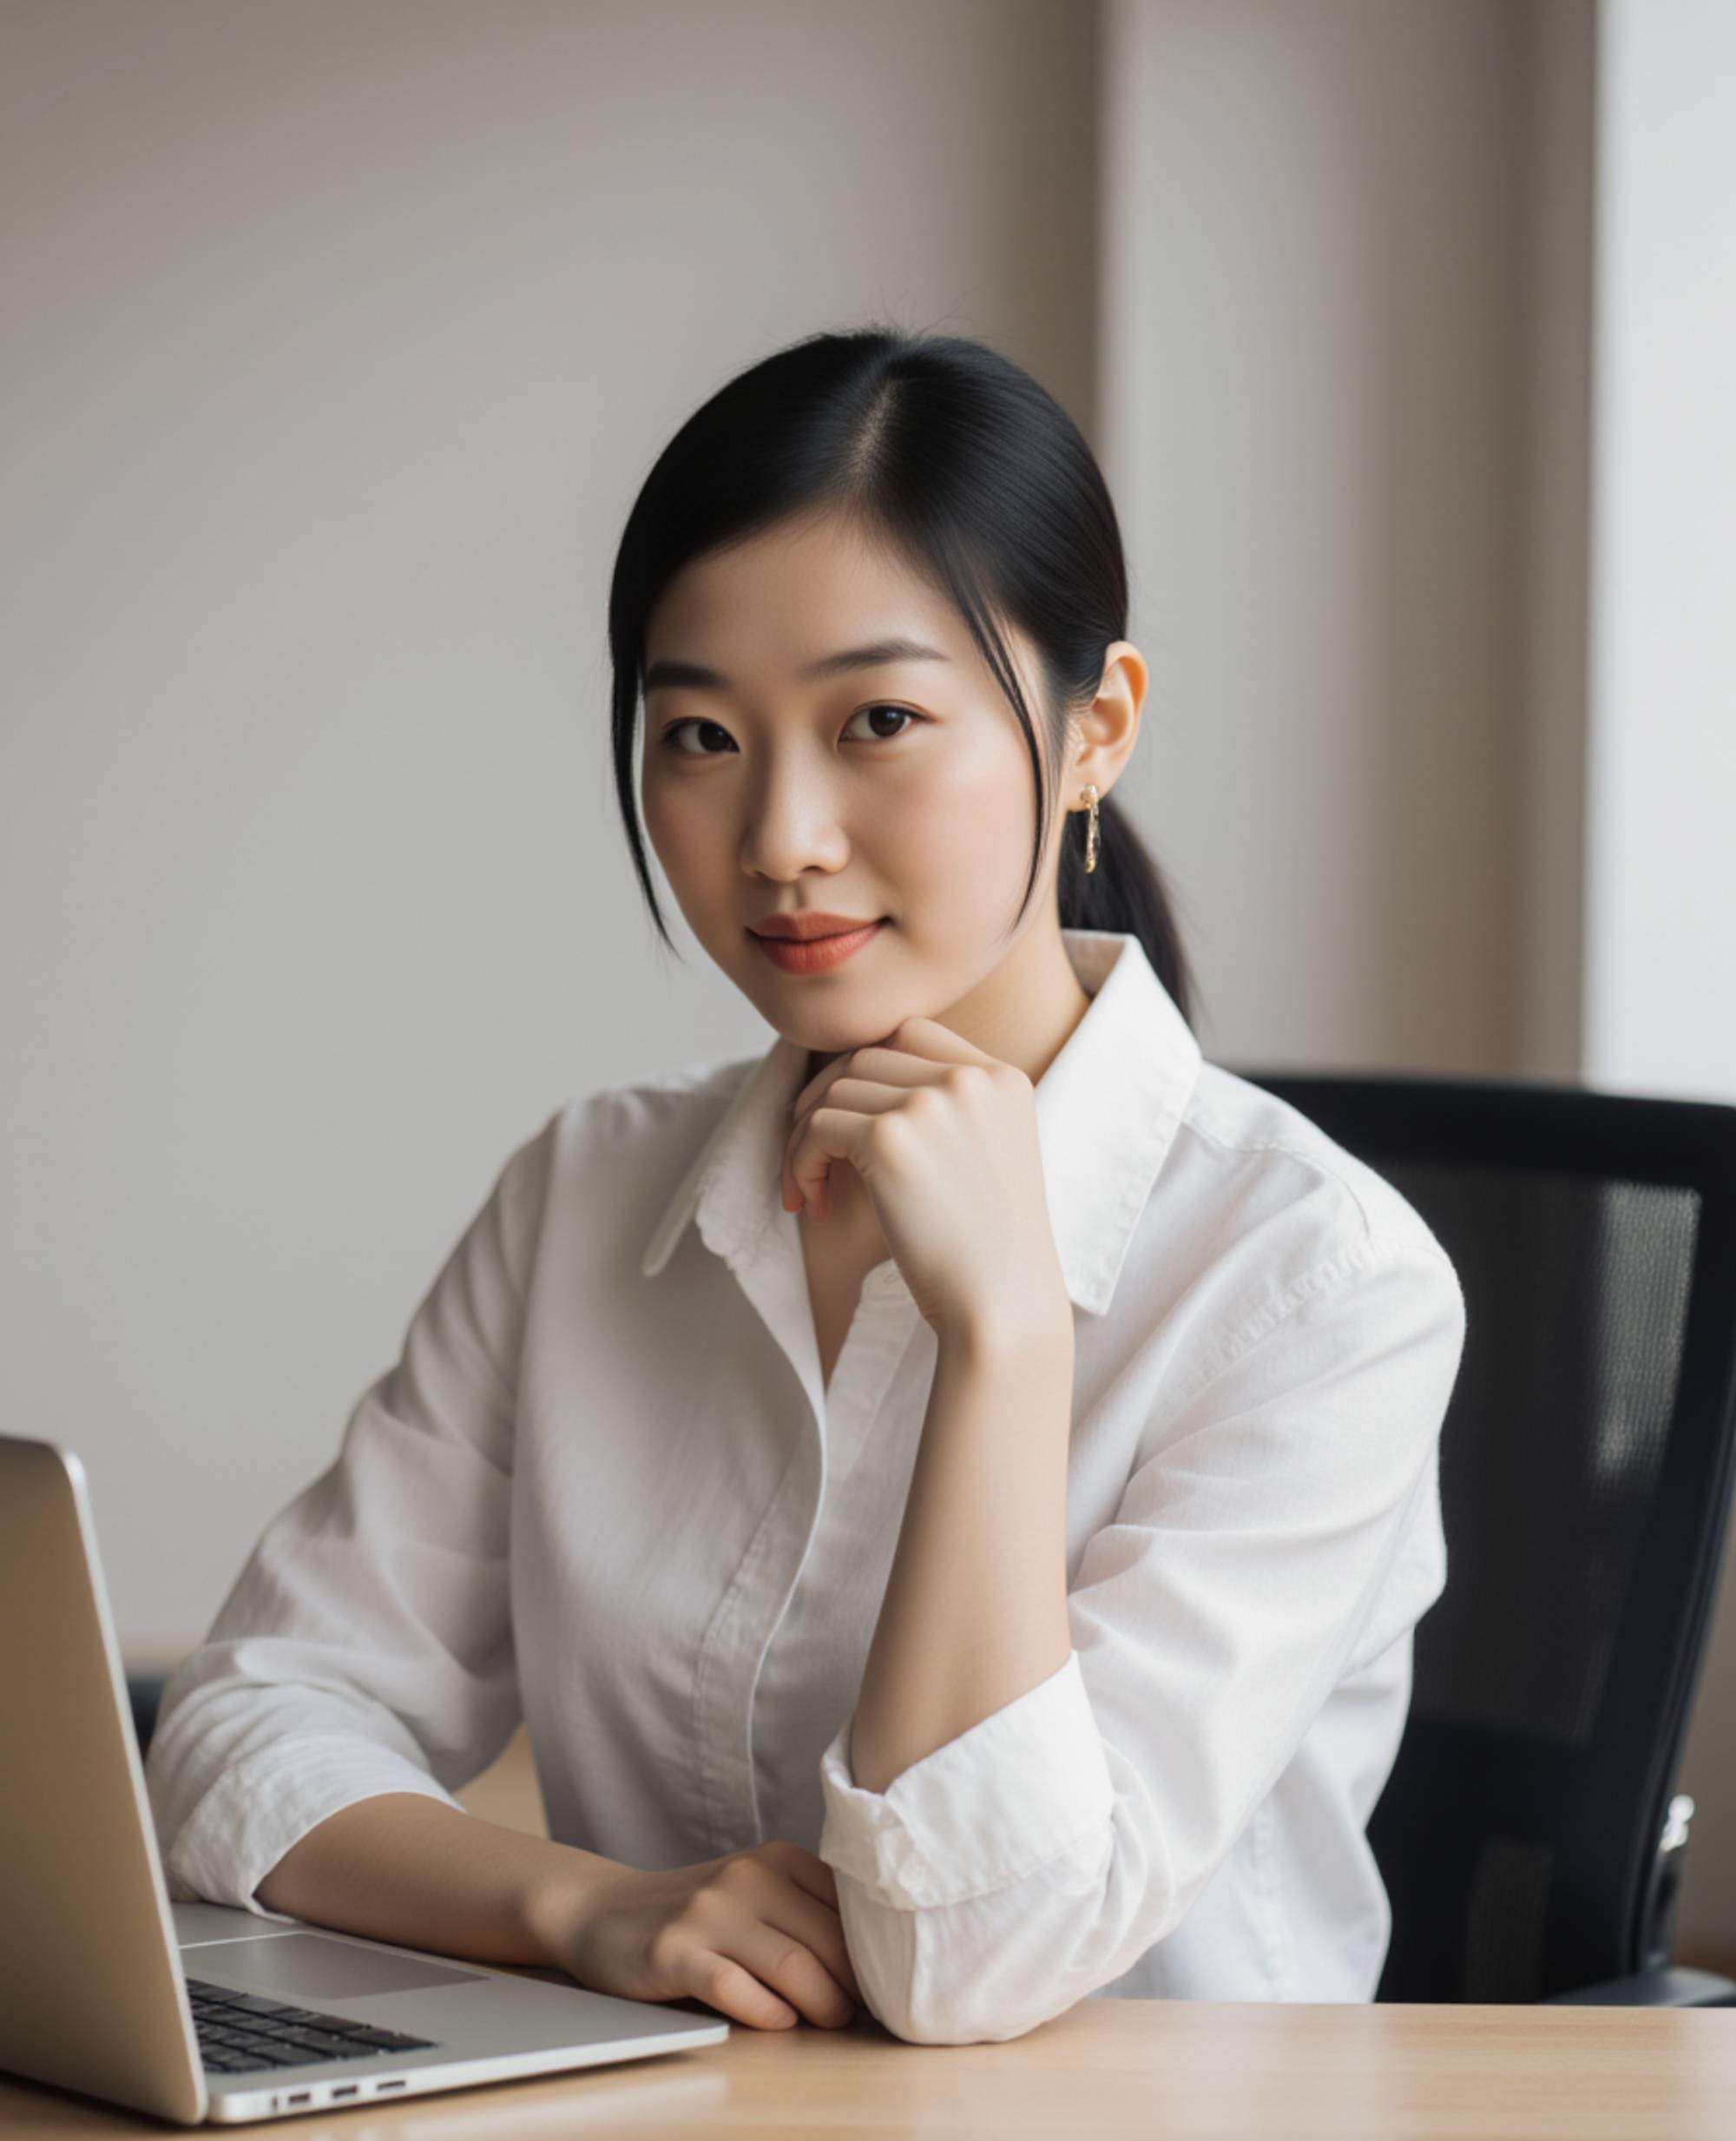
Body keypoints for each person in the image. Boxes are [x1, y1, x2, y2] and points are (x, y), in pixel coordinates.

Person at [145, 323, 1467, 2047]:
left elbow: (969, 1961)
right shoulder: (587, 1192)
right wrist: (589, 1905)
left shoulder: (1318, 1279)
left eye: (880, 720)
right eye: (698, 734)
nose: (778, 834)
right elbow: (247, 1722)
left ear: (1094, 730)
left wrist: (1003, 1334)